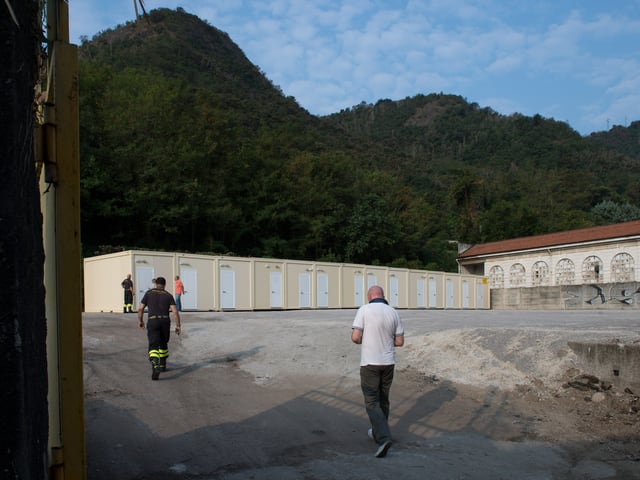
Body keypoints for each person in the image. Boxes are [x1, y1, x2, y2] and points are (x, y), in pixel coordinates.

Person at [351, 285, 404, 458]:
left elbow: (355, 337)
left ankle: (383, 438)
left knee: (372, 401)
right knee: (383, 399)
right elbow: (399, 341)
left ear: (370, 296)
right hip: (388, 363)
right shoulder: (393, 312)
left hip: (370, 363)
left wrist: (363, 341)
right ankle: (377, 432)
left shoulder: (364, 310)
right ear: (382, 296)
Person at [137, 276, 181, 380]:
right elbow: (175, 311)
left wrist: (140, 321)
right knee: (163, 343)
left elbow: (140, 308)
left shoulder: (148, 293)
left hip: (153, 321)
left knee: (153, 345)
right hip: (165, 321)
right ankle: (162, 365)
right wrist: (178, 325)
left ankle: (155, 365)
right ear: (165, 285)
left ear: (156, 284)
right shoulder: (168, 295)